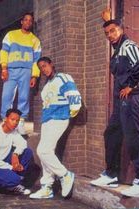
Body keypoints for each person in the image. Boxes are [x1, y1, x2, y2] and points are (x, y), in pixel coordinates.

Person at [90, 18, 139, 198]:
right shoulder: (118, 50)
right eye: (107, 33)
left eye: (113, 31)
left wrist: (131, 85)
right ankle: (111, 174)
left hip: (131, 98)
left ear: (121, 30)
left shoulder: (128, 46)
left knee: (134, 136)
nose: (110, 35)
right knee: (112, 133)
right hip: (121, 100)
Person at [29, 57, 82, 199]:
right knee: (47, 152)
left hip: (59, 118)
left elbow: (74, 95)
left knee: (43, 150)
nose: (43, 69)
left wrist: (72, 111)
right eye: (40, 68)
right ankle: (47, 187)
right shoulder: (46, 85)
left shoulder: (63, 77)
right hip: (47, 120)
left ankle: (65, 175)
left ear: (51, 65)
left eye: (45, 66)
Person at [0, 12, 41, 135]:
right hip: (11, 69)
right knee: (6, 96)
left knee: (24, 97)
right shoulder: (11, 35)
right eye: (26, 20)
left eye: (30, 21)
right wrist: (4, 68)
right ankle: (6, 120)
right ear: (21, 21)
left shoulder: (35, 40)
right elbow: (4, 52)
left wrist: (34, 75)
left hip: (26, 71)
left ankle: (21, 122)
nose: (28, 22)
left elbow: (36, 60)